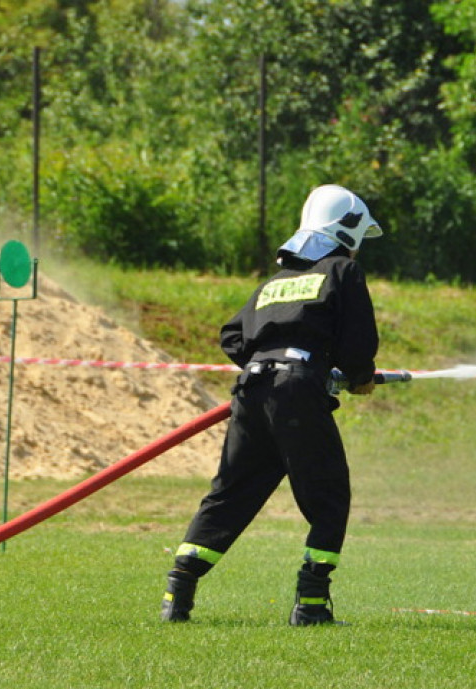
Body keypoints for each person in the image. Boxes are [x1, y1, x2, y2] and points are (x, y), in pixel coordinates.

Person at [160, 184, 382, 625]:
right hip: (296, 394)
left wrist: (277, 363)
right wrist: (355, 377)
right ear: (348, 232)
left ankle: (178, 592)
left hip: (251, 390)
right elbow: (358, 343)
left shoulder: (275, 282)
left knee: (231, 493)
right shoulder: (342, 271)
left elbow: (233, 337)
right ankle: (312, 603)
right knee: (328, 495)